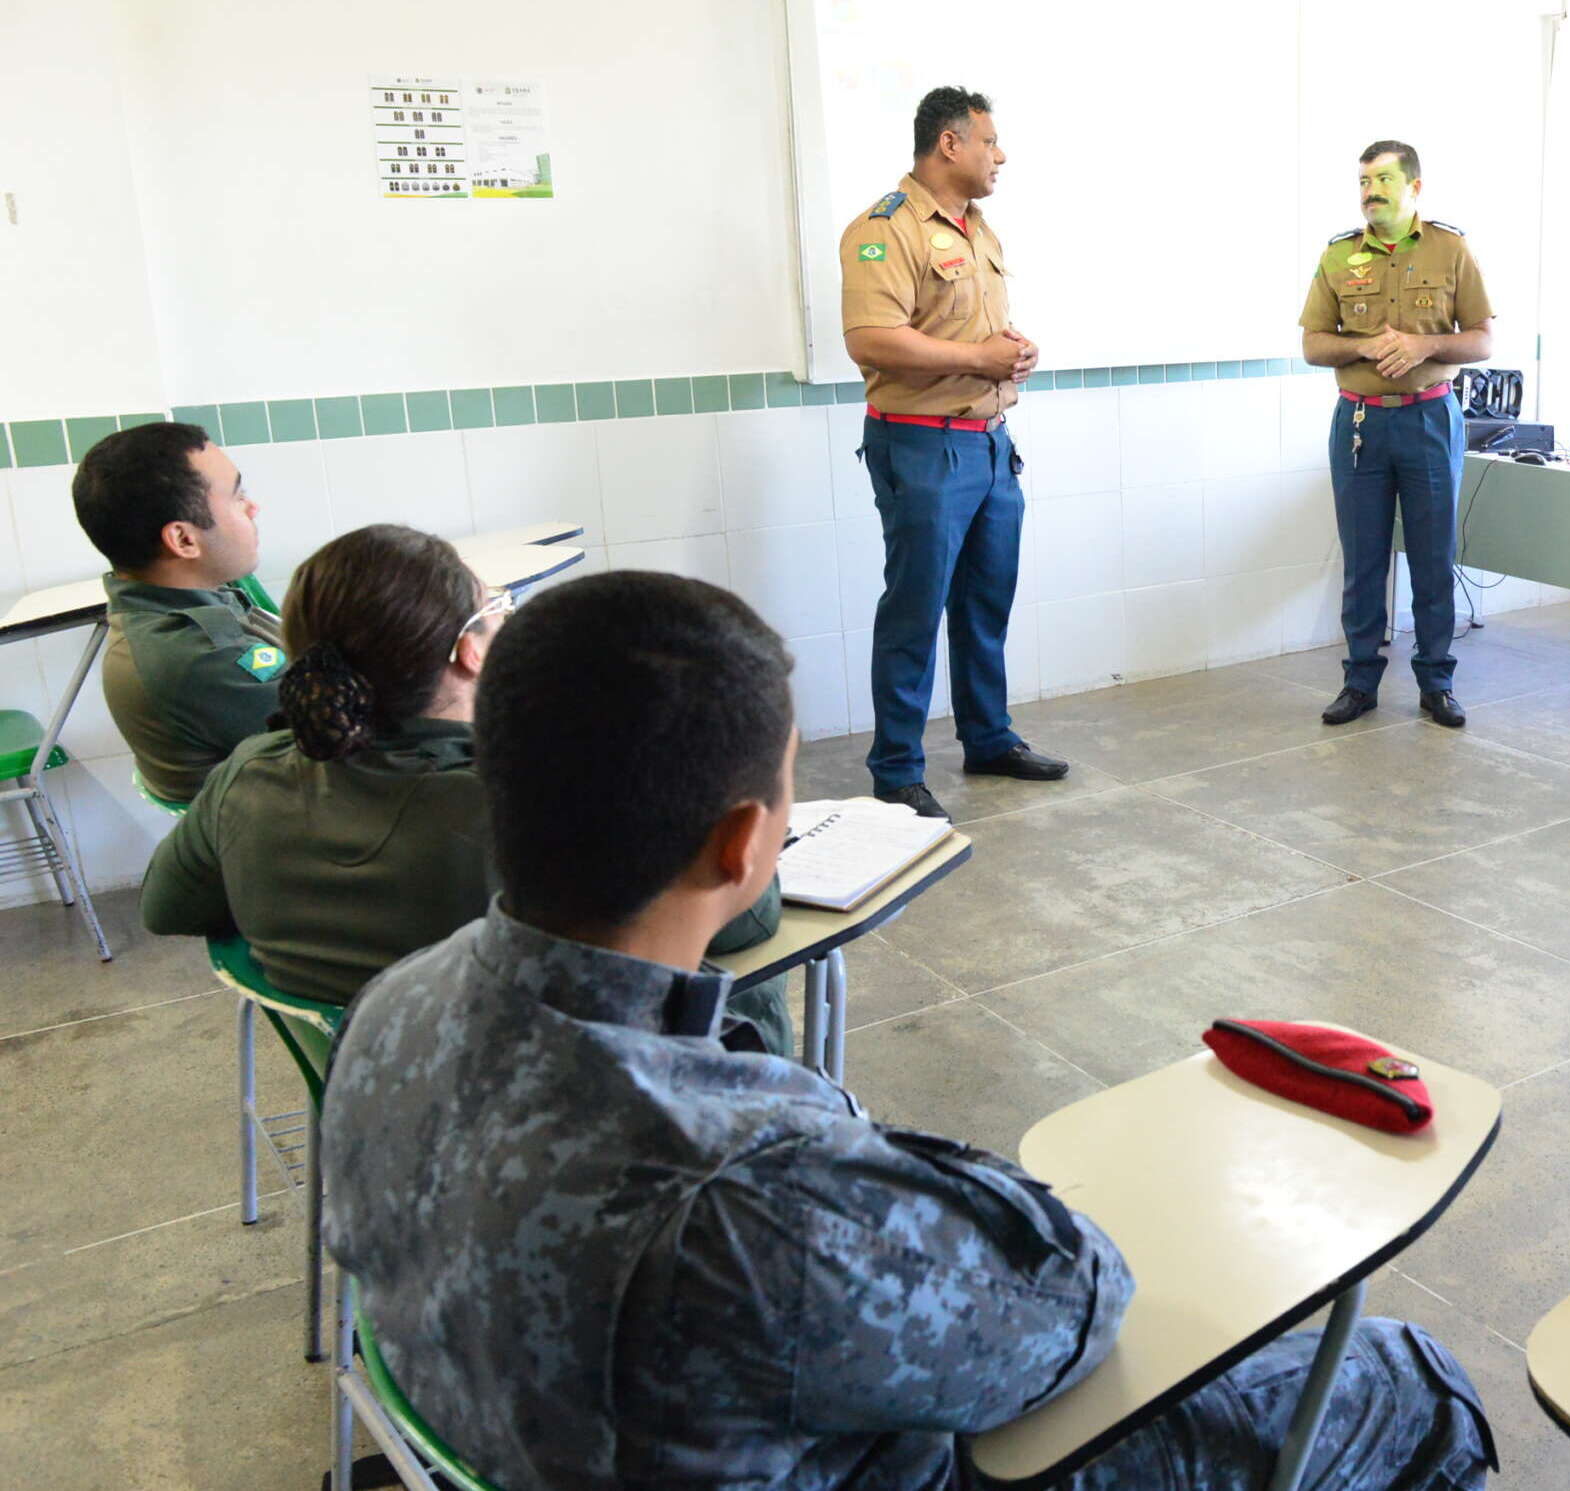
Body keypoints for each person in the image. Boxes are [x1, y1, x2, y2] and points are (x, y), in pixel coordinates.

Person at [320, 570, 1495, 1491]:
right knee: (1407, 1381)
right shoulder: (746, 1200)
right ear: (744, 848)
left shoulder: (393, 1010)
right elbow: (1066, 1314)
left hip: (518, 1445)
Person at [137, 526, 790, 1052]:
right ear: (470, 653)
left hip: (371, 1108)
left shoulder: (246, 774)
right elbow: (740, 914)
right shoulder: (520, 802)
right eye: (496, 609)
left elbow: (166, 908)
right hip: (546, 1094)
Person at [840, 85, 1067, 821]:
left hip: (992, 448)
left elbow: (970, 332)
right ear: (949, 143)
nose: (1000, 155)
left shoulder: (977, 228)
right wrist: (979, 357)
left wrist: (1012, 353)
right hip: (922, 448)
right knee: (914, 611)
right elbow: (872, 340)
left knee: (984, 605)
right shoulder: (885, 229)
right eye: (989, 141)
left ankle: (989, 737)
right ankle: (897, 768)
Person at [1300, 140, 1495, 730]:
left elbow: (1482, 339)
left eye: (1383, 180)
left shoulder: (1450, 248)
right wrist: (1364, 345)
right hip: (1359, 422)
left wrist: (1424, 344)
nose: (1370, 192)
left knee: (1434, 558)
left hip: (1429, 418)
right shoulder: (1338, 256)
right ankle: (1360, 681)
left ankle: (1436, 682)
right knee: (1363, 560)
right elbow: (1313, 344)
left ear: (1414, 187)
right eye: (1363, 181)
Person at [71, 421, 284, 803]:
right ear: (184, 540)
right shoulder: (200, 655)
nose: (254, 508)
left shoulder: (192, 595)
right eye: (238, 497)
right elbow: (366, 734)